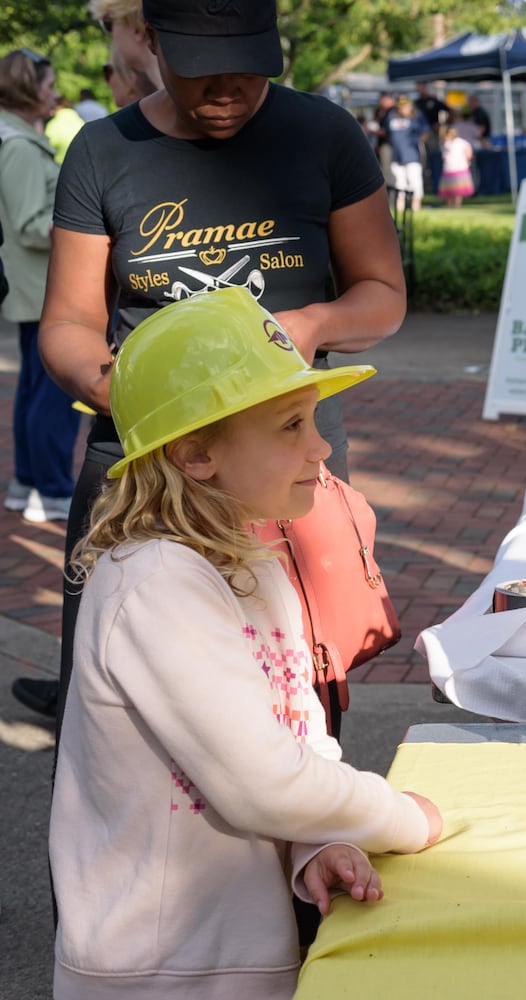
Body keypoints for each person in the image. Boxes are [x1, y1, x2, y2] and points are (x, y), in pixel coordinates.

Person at [50, 286, 443, 999]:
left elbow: (294, 736)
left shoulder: (255, 563)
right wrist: (398, 817)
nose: (320, 447)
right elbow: (262, 779)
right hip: (158, 974)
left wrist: (320, 843)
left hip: (236, 955)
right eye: (289, 425)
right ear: (195, 453)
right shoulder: (156, 583)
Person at [24, 0, 406, 730]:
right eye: (202, 70)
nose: (228, 89)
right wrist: (125, 389)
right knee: (122, 710)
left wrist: (314, 323)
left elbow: (382, 295)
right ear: (149, 40)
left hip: (287, 459)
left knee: (293, 703)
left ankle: (309, 846)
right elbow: (68, 322)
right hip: (143, 465)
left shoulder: (322, 135)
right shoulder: (104, 151)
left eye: (251, 67)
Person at [0, 50, 81, 528]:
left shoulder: (15, 139)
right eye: (48, 84)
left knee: (35, 387)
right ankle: (50, 489)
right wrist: (81, 230)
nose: (55, 92)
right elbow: (30, 223)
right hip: (40, 285)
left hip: (32, 287)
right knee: (52, 391)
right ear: (29, 87)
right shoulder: (18, 145)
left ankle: (28, 484)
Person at [91, 0, 164, 100]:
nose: (112, 35)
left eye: (108, 24)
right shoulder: (178, 90)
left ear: (137, 29)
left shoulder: (174, 98)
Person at [387, 95, 427, 212]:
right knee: (399, 183)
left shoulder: (417, 117)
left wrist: (419, 143)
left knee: (415, 182)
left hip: (412, 155)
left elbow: (425, 132)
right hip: (397, 156)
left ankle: (415, 208)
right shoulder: (391, 117)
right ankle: (400, 209)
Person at [438, 124, 475, 209]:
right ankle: (450, 205)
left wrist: (467, 159)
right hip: (449, 168)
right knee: (450, 190)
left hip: (459, 168)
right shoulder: (446, 143)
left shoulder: (460, 142)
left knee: (458, 190)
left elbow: (468, 151)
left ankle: (457, 205)